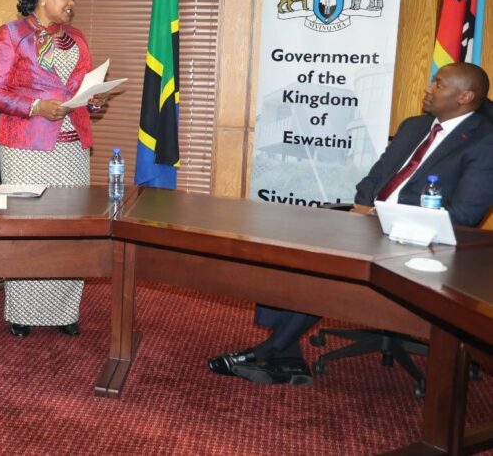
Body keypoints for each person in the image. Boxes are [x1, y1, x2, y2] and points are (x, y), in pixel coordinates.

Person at [208, 62, 493, 386]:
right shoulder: (415, 126)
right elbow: (374, 178)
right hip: (370, 222)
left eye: (439, 84)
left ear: (465, 96)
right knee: (289, 248)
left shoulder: (484, 142)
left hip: (421, 241)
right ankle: (287, 356)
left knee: (325, 270)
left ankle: (270, 352)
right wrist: (363, 208)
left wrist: (387, 220)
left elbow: (464, 215)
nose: (428, 88)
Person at [0, 0, 109, 338]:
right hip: (27, 146)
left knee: (70, 229)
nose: (72, 3)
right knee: (30, 227)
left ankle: (64, 311)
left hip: (73, 146)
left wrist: (94, 100)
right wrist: (36, 106)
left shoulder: (78, 38)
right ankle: (22, 311)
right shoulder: (12, 35)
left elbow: (80, 89)